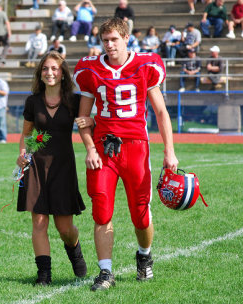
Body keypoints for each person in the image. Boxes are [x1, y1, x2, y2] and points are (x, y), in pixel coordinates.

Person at [74, 17, 179, 291]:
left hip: (135, 147)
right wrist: (90, 149)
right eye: (105, 40)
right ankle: (105, 272)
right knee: (101, 211)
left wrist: (169, 151)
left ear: (126, 39)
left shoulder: (145, 65)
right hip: (104, 149)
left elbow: (160, 112)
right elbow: (82, 118)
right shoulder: (91, 69)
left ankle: (144, 255)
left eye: (114, 40)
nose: (109, 45)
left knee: (141, 214)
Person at [16, 51, 92, 285]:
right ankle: (44, 275)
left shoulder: (74, 100)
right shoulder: (33, 101)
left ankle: (75, 250)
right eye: (46, 69)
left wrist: (91, 121)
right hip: (36, 166)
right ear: (40, 73)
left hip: (63, 167)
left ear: (62, 74)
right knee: (39, 222)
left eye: (55, 69)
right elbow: (28, 135)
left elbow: (91, 121)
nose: (50, 73)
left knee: (65, 227)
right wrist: (22, 154)